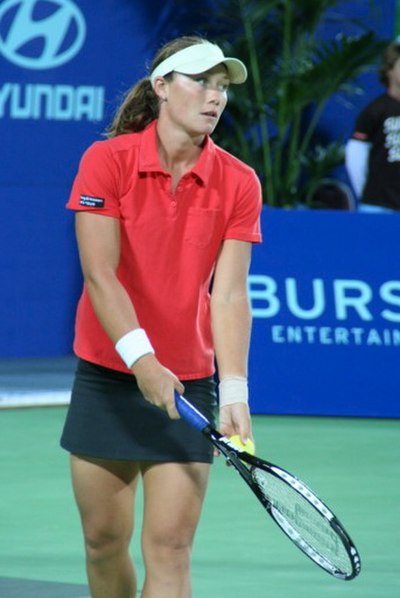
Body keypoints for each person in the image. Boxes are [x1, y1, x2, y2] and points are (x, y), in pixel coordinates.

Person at [60, 35, 262, 598]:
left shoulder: (239, 180)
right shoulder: (108, 161)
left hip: (190, 386)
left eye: (222, 86)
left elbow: (229, 295)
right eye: (200, 81)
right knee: (103, 543)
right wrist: (142, 361)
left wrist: (237, 392)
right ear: (162, 87)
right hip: (109, 375)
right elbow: (101, 275)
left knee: (170, 551)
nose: (214, 96)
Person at [345, 41, 400, 213]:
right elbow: (355, 154)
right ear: (389, 70)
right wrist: (367, 193)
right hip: (378, 205)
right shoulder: (375, 110)